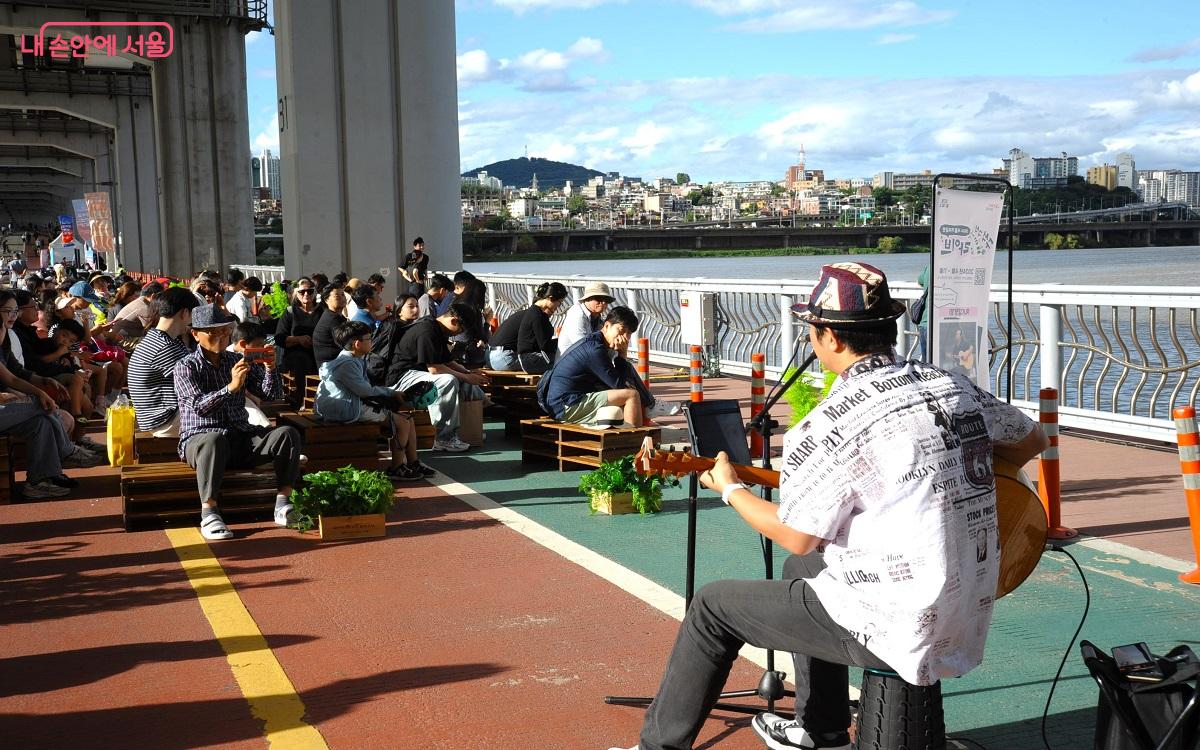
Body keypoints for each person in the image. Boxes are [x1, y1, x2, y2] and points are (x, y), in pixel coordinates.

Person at [606, 261, 1048, 750]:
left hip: (897, 617)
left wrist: (733, 490)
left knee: (712, 607)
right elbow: (1031, 441)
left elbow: (797, 531)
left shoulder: (825, 428)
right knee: (803, 567)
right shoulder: (949, 385)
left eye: (812, 331)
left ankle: (656, 748)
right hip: (969, 598)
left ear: (831, 339)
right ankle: (822, 729)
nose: (812, 341)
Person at [174, 304, 302, 541]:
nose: (221, 337)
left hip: (241, 436)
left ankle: (283, 502)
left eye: (225, 331)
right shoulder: (186, 366)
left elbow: (269, 395)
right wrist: (230, 388)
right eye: (214, 332)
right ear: (196, 334)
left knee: (287, 434)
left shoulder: (236, 359)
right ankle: (209, 512)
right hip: (201, 439)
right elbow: (199, 407)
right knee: (214, 440)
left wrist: (271, 369)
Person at [315, 319, 434, 482]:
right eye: (369, 338)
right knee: (402, 423)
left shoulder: (354, 358)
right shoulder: (347, 364)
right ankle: (397, 467)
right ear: (357, 344)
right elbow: (365, 391)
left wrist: (390, 394)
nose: (372, 341)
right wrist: (391, 393)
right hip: (345, 408)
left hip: (349, 403)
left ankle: (413, 462)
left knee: (408, 420)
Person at [542, 306, 676, 428]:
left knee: (627, 379)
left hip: (566, 400)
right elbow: (618, 385)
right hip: (566, 405)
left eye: (628, 334)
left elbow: (615, 380)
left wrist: (621, 359)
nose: (624, 337)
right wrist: (622, 354)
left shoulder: (594, 342)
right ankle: (634, 439)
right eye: (621, 330)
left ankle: (649, 406)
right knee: (631, 395)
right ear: (606, 326)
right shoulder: (595, 350)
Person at [388, 301, 488, 452]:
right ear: (454, 321)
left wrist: (468, 374)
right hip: (402, 377)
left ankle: (468, 430)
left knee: (464, 380)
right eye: (461, 329)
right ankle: (444, 438)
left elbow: (448, 362)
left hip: (419, 375)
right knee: (448, 380)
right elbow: (435, 369)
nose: (459, 334)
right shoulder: (426, 330)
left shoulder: (436, 328)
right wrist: (465, 377)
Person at [127, 286, 200, 437]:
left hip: (161, 417)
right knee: (232, 406)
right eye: (193, 315)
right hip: (165, 420)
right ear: (185, 313)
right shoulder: (164, 347)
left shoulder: (159, 339)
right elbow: (197, 379)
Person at [489, 282, 567, 373]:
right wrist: (563, 340)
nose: (558, 307)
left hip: (492, 355)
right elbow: (544, 345)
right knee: (566, 361)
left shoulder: (530, 312)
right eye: (560, 303)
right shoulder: (537, 315)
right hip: (504, 358)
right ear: (550, 298)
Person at [273, 277, 323, 404]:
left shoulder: (322, 311)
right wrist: (298, 339)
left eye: (310, 291)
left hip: (317, 350)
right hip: (296, 353)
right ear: (297, 294)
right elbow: (279, 338)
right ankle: (302, 401)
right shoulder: (290, 312)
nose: (306, 294)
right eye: (302, 292)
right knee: (301, 360)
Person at [557, 281, 613, 356]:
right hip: (572, 363)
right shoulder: (577, 315)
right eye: (598, 299)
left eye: (606, 300)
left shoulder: (597, 318)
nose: (603, 303)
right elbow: (584, 347)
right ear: (587, 299)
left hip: (585, 360)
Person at [312, 283, 349, 368]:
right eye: (337, 296)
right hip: (331, 368)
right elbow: (346, 343)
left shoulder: (336, 316)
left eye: (343, 294)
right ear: (326, 300)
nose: (342, 298)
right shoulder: (332, 319)